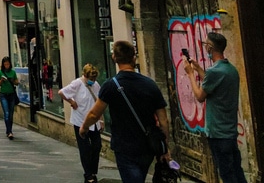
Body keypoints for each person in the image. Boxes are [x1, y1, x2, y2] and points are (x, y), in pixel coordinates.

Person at [80, 40, 169, 183]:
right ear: (134, 57)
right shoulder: (150, 85)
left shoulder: (110, 86)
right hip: (146, 145)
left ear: (114, 58)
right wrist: (164, 147)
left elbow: (94, 114)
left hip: (124, 146)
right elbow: (163, 120)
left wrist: (84, 128)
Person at [184, 32, 247, 183]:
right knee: (237, 172)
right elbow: (213, 84)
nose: (204, 47)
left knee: (227, 175)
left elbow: (200, 96)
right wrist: (199, 68)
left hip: (218, 133)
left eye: (206, 44)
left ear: (210, 48)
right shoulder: (231, 70)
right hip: (230, 131)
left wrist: (191, 74)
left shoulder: (214, 71)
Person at [59, 64, 103, 183]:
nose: (92, 81)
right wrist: (71, 101)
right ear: (85, 75)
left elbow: (99, 103)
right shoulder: (77, 83)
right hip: (80, 120)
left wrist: (101, 120)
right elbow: (62, 92)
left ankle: (93, 171)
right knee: (85, 148)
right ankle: (88, 175)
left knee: (97, 146)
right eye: (91, 79)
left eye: (94, 79)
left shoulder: (96, 85)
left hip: (94, 122)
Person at [0, 56, 19, 139]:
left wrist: (13, 81)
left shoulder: (13, 72)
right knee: (7, 113)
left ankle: (9, 129)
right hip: (3, 95)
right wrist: (2, 80)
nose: (7, 66)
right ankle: (9, 132)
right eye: (5, 64)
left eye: (8, 64)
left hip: (12, 94)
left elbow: (17, 82)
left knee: (11, 114)